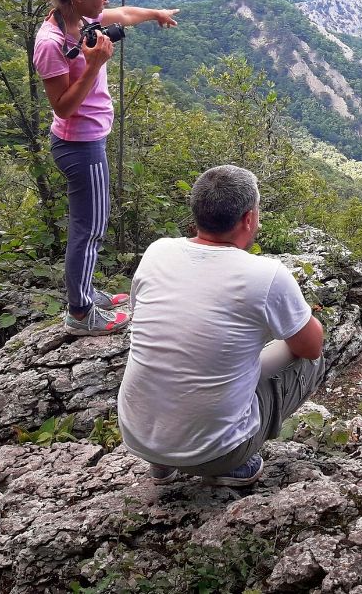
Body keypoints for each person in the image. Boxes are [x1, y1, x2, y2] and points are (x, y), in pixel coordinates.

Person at [116, 165, 325, 487]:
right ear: (248, 218)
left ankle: (162, 464)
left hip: (138, 435)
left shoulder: (157, 251)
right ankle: (233, 464)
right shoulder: (266, 274)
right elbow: (311, 346)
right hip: (213, 452)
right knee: (311, 359)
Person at [32, 0, 179, 336]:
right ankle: (80, 313)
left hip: (87, 141)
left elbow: (125, 14)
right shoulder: (50, 42)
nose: (107, 1)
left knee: (90, 224)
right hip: (80, 145)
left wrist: (155, 13)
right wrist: (94, 65)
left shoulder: (81, 21)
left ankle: (85, 294)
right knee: (90, 228)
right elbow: (63, 108)